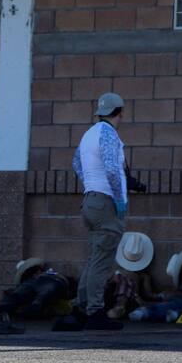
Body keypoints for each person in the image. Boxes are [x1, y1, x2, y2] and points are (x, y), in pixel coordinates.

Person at [57, 92, 130, 331]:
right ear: (120, 112)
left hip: (90, 200)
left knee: (93, 258)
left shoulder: (89, 134)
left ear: (99, 112)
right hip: (105, 202)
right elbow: (110, 168)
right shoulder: (109, 134)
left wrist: (91, 183)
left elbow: (76, 163)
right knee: (102, 261)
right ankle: (95, 311)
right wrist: (119, 199)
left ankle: (82, 306)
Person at [0, 258, 75, 335]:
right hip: (50, 285)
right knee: (19, 298)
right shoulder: (33, 281)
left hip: (52, 284)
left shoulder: (50, 277)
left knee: (36, 298)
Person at [105, 232, 162, 319]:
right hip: (113, 296)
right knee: (121, 279)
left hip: (130, 300)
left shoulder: (143, 276)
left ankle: (119, 306)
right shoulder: (117, 271)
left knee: (124, 280)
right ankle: (119, 306)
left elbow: (149, 295)